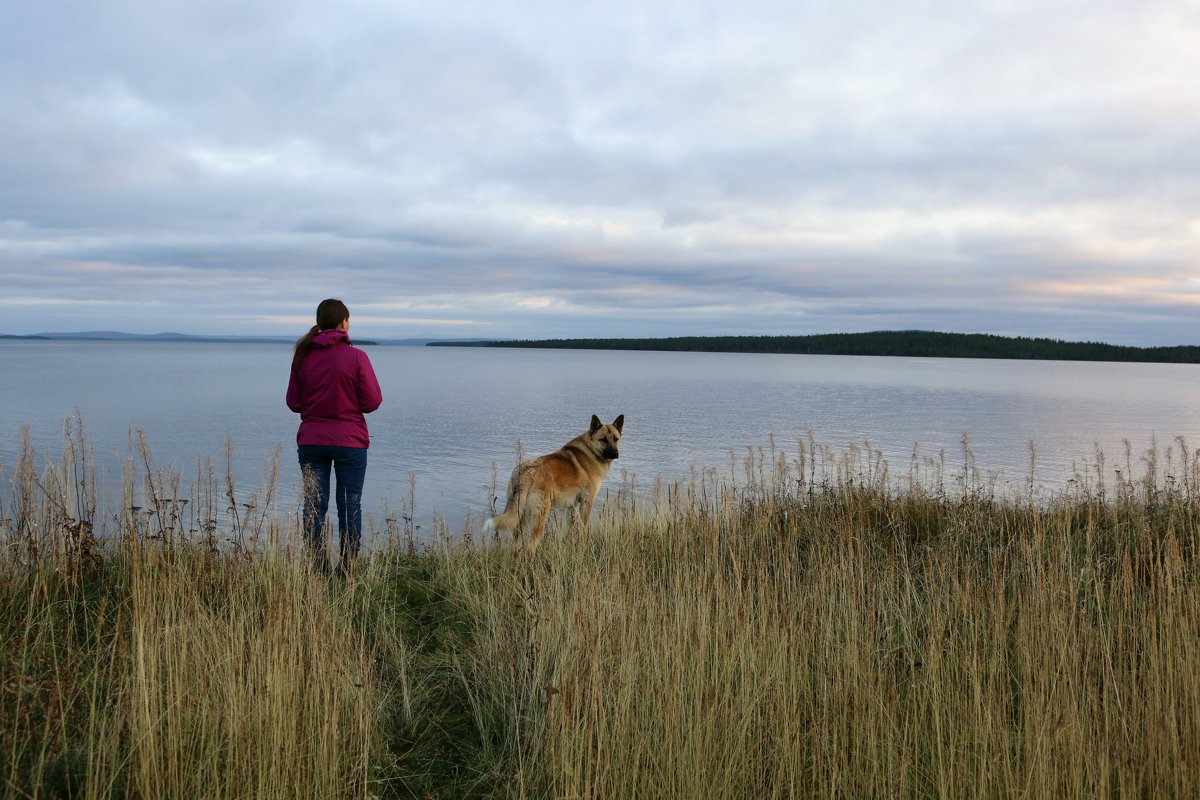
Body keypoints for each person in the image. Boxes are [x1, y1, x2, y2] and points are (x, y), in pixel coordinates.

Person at [286, 299, 382, 575]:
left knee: (313, 505)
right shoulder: (356, 357)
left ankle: (317, 567)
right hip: (350, 442)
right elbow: (372, 401)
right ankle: (348, 568)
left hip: (312, 441)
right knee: (350, 503)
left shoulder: (303, 356)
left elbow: (294, 402)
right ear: (343, 323)